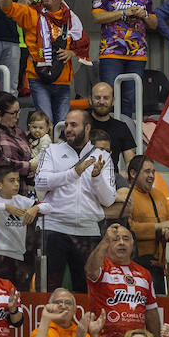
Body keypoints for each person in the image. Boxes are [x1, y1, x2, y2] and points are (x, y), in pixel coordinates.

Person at [36, 109, 117, 292]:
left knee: (86, 289)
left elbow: (109, 199)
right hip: (54, 228)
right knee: (49, 288)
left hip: (88, 231)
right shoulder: (52, 150)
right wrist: (74, 173)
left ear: (87, 128)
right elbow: (40, 182)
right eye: (66, 125)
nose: (68, 129)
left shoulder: (103, 156)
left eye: (74, 125)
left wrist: (97, 178)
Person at [0, 0, 88, 125]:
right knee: (46, 123)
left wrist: (71, 52)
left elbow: (82, 43)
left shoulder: (71, 17)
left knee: (62, 125)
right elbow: (6, 7)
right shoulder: (32, 13)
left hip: (63, 81)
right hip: (38, 79)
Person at [84, 221, 157, 337]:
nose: (122, 242)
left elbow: (151, 313)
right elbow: (90, 270)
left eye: (126, 239)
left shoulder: (145, 274)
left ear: (132, 244)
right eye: (115, 239)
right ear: (108, 243)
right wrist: (105, 240)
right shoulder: (102, 266)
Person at [110, 155, 169, 294]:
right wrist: (156, 227)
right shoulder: (126, 196)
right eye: (147, 171)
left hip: (158, 265)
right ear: (133, 174)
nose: (151, 176)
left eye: (153, 172)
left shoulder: (159, 195)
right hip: (134, 262)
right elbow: (128, 228)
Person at [91, 0, 155, 120]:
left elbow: (154, 24)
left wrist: (145, 15)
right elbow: (97, 17)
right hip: (111, 52)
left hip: (137, 54)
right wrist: (124, 12)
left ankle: (124, 132)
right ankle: (107, 134)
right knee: (108, 95)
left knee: (129, 99)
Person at [0, 166, 40, 288]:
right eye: (11, 180)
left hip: (20, 256)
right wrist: (6, 207)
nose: (16, 184)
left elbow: (48, 207)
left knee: (21, 293)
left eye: (17, 180)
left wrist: (35, 208)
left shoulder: (23, 201)